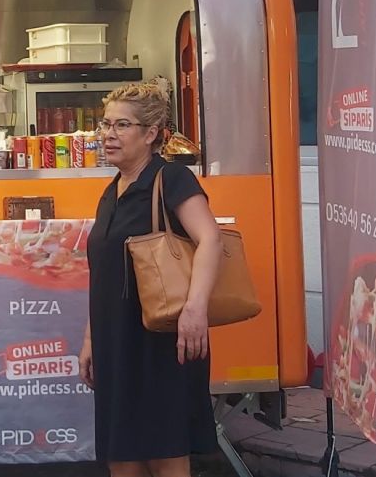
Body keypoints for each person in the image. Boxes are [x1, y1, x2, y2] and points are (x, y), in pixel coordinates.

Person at [80, 81, 225, 477]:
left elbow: (210, 239)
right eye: (105, 124)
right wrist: (91, 339)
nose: (108, 134)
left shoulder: (172, 178)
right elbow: (105, 274)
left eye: (121, 125)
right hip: (116, 343)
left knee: (165, 456)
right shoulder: (111, 191)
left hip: (162, 341)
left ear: (150, 134)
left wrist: (195, 310)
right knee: (121, 457)